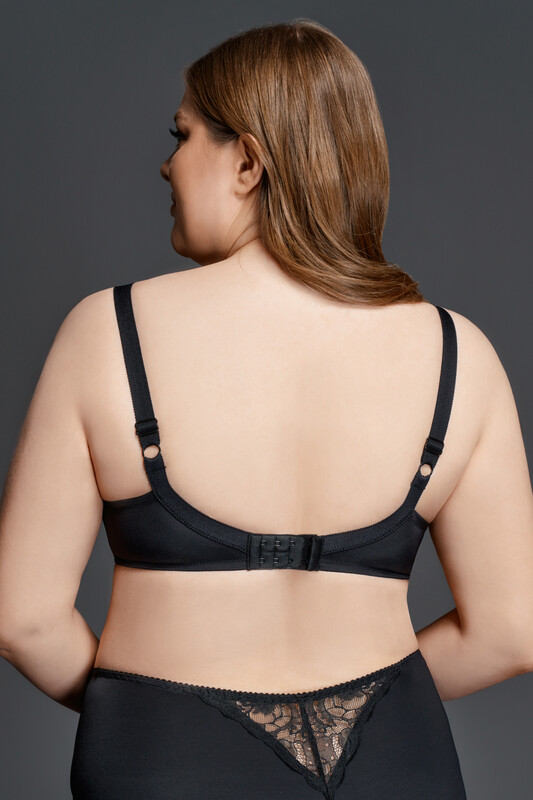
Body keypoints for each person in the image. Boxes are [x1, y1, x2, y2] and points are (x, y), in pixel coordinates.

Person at [1, 18, 532, 800]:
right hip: (397, 758)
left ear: (247, 162)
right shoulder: (461, 354)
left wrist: (144, 707)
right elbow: (509, 633)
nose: (167, 164)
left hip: (166, 762)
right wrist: (371, 702)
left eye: (182, 135)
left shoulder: (108, 333)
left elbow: (22, 619)